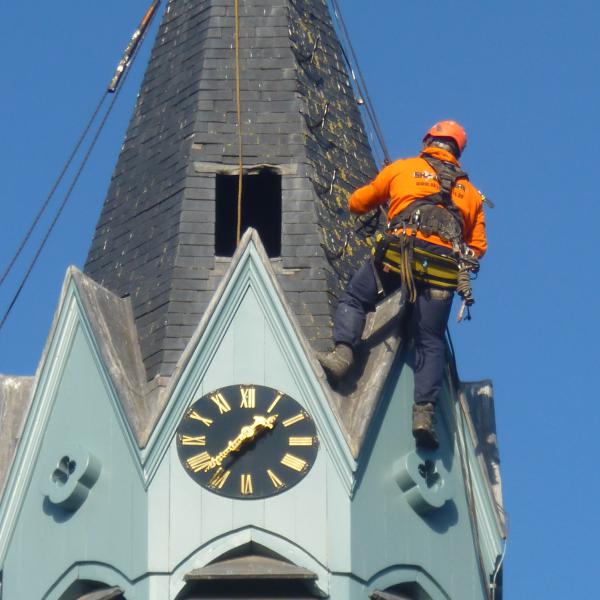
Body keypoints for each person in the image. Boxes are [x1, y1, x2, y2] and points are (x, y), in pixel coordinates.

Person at [318, 120, 487, 449]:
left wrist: (390, 199)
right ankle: (423, 412)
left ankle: (342, 356)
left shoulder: (404, 169)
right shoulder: (472, 195)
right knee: (430, 340)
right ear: (458, 152)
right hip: (442, 270)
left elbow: (357, 203)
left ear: (429, 140)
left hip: (400, 256)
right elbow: (477, 246)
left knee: (355, 299)